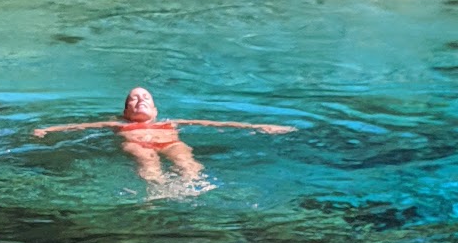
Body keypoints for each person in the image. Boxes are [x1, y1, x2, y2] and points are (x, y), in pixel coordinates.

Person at [33, 87, 296, 184]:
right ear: (125, 111)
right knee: (145, 157)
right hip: (135, 143)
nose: (140, 101)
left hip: (169, 141)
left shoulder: (172, 123)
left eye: (145, 98)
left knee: (183, 156)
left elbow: (215, 122)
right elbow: (80, 127)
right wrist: (48, 130)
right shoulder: (117, 124)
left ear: (155, 110)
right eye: (133, 99)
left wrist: (259, 126)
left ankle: (193, 183)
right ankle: (156, 188)